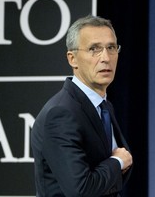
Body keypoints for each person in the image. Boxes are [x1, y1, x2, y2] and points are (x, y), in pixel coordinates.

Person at [31, 15, 133, 197]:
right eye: (94, 49)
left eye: (111, 48)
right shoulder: (61, 113)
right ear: (73, 59)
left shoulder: (104, 106)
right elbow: (81, 190)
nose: (106, 58)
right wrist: (117, 161)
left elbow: (114, 181)